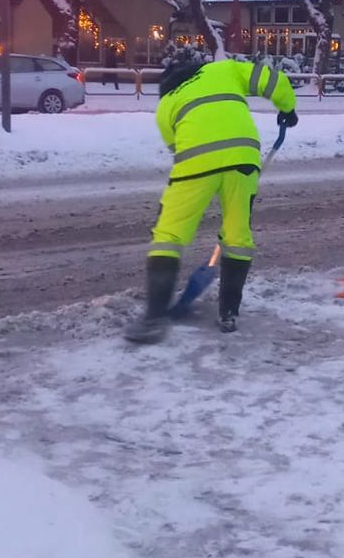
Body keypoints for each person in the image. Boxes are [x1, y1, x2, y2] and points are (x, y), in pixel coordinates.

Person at [124, 53, 298, 343]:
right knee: (237, 234)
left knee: (169, 233)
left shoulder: (165, 106)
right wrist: (288, 109)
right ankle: (228, 313)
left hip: (194, 160)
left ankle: (154, 318)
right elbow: (273, 80)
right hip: (243, 155)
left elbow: (175, 145)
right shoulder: (224, 69)